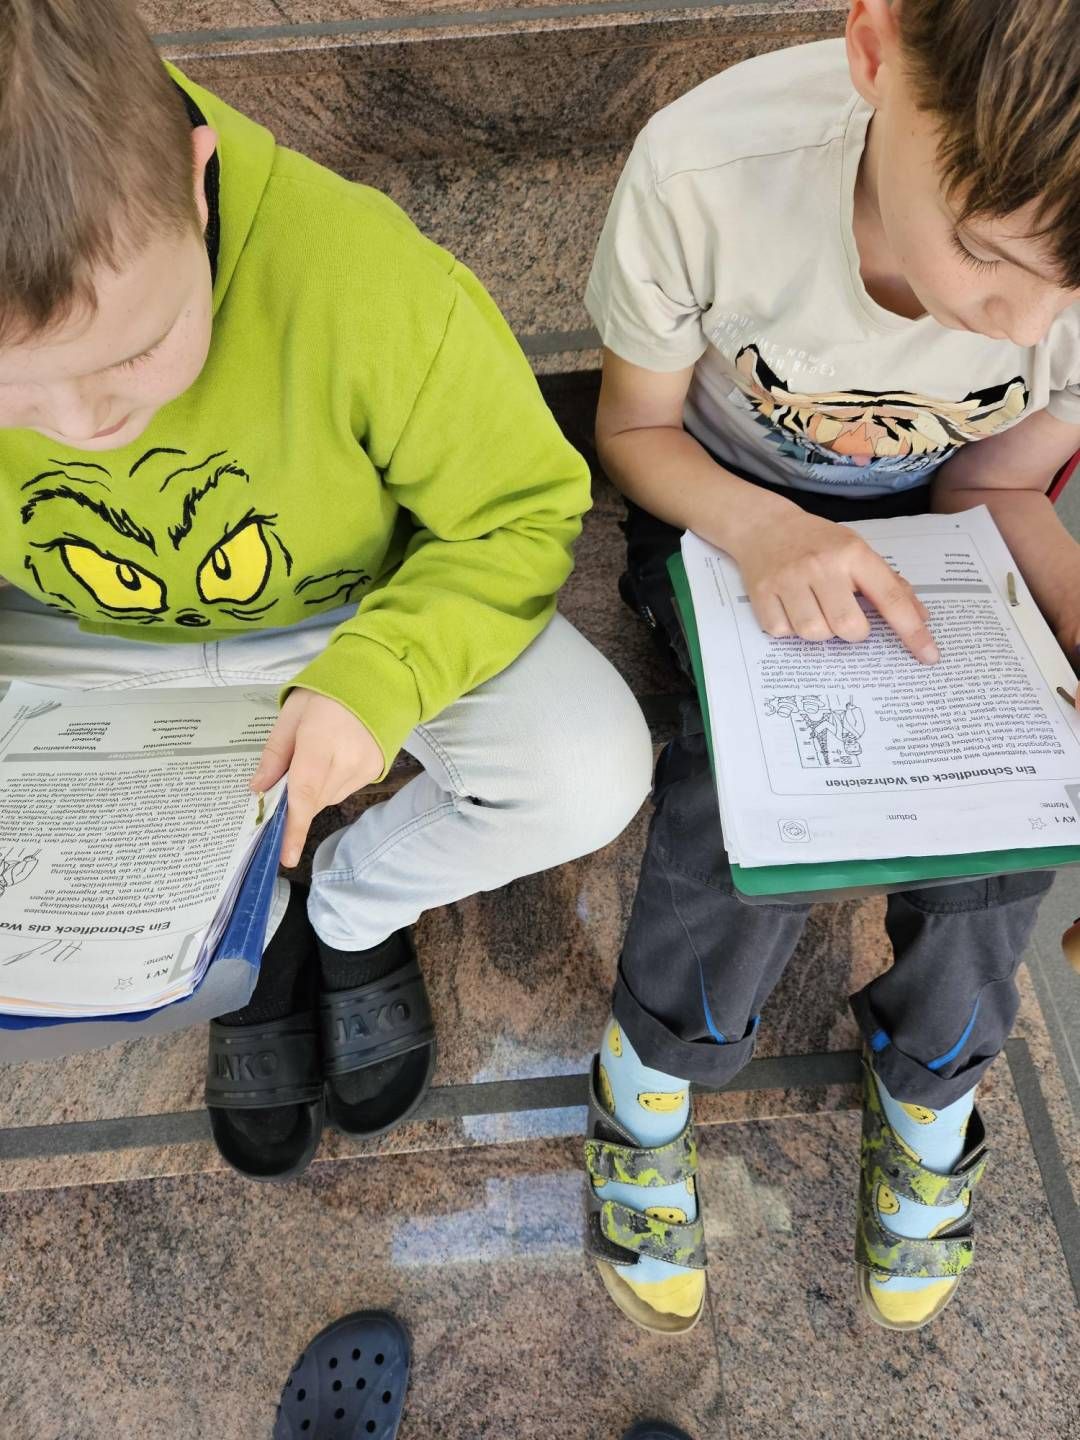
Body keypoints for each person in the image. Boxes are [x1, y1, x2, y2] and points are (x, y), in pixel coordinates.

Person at [0, 0, 653, 1179]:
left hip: (347, 605)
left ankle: (346, 907)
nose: (84, 426)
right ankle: (234, 930)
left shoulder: (364, 282)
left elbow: (518, 511)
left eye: (130, 353)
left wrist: (381, 677)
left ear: (195, 182)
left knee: (591, 768)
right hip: (75, 634)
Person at [581, 0, 1080, 1333]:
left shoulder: (1053, 277)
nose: (1021, 321)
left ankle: (933, 1085)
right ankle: (651, 1070)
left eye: (1068, 289)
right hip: (717, 507)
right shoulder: (708, 175)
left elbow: (997, 484)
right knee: (742, 803)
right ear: (874, 51)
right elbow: (632, 428)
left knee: (1004, 826)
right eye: (984, 254)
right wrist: (765, 530)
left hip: (942, 532)